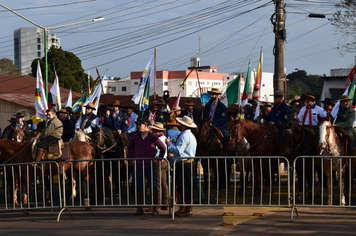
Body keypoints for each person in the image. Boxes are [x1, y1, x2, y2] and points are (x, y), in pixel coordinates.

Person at [127, 117, 166, 216]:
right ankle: (139, 208)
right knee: (139, 186)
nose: (138, 126)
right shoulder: (135, 137)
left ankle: (155, 208)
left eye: (140, 124)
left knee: (154, 186)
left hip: (150, 165)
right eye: (138, 124)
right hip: (139, 165)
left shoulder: (153, 137)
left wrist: (158, 159)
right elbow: (129, 147)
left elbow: (163, 147)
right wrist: (132, 158)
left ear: (146, 126)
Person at [167, 116, 197, 217]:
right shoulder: (190, 135)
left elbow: (179, 150)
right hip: (188, 162)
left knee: (184, 185)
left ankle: (186, 208)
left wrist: (169, 144)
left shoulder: (184, 136)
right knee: (186, 185)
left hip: (184, 163)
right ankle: (186, 207)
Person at [148, 122, 169, 212]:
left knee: (157, 183)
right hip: (164, 161)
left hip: (159, 161)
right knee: (164, 183)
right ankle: (165, 203)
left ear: (157, 131)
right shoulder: (164, 138)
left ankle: (157, 205)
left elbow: (157, 151)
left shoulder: (158, 139)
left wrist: (156, 159)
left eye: (153, 130)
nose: (152, 131)